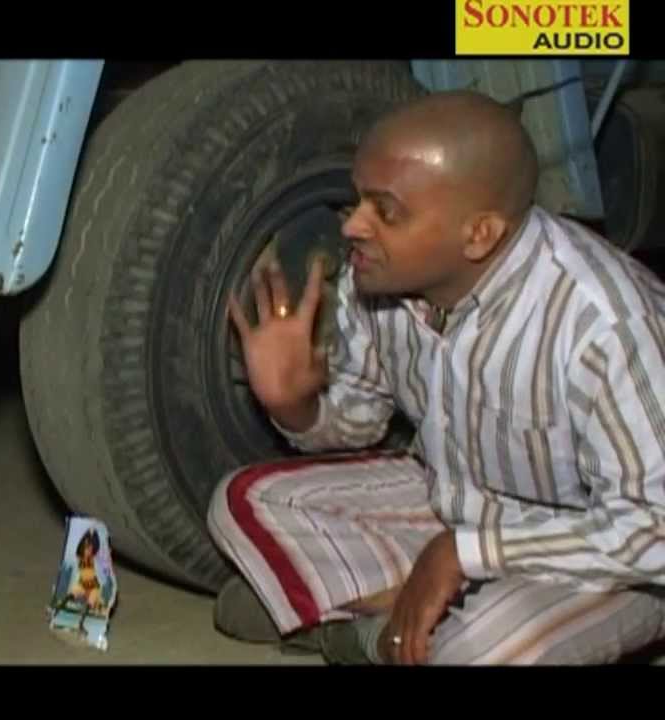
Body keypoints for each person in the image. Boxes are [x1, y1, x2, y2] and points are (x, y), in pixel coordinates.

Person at [207, 90, 665, 665]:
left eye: (385, 211)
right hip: (459, 502)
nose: (353, 227)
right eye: (357, 200)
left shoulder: (605, 324)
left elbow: (654, 529)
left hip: (613, 554)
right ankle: (415, 610)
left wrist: (463, 554)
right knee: (241, 501)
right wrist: (293, 403)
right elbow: (360, 422)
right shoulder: (377, 282)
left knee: (481, 650)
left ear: (479, 235)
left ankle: (367, 630)